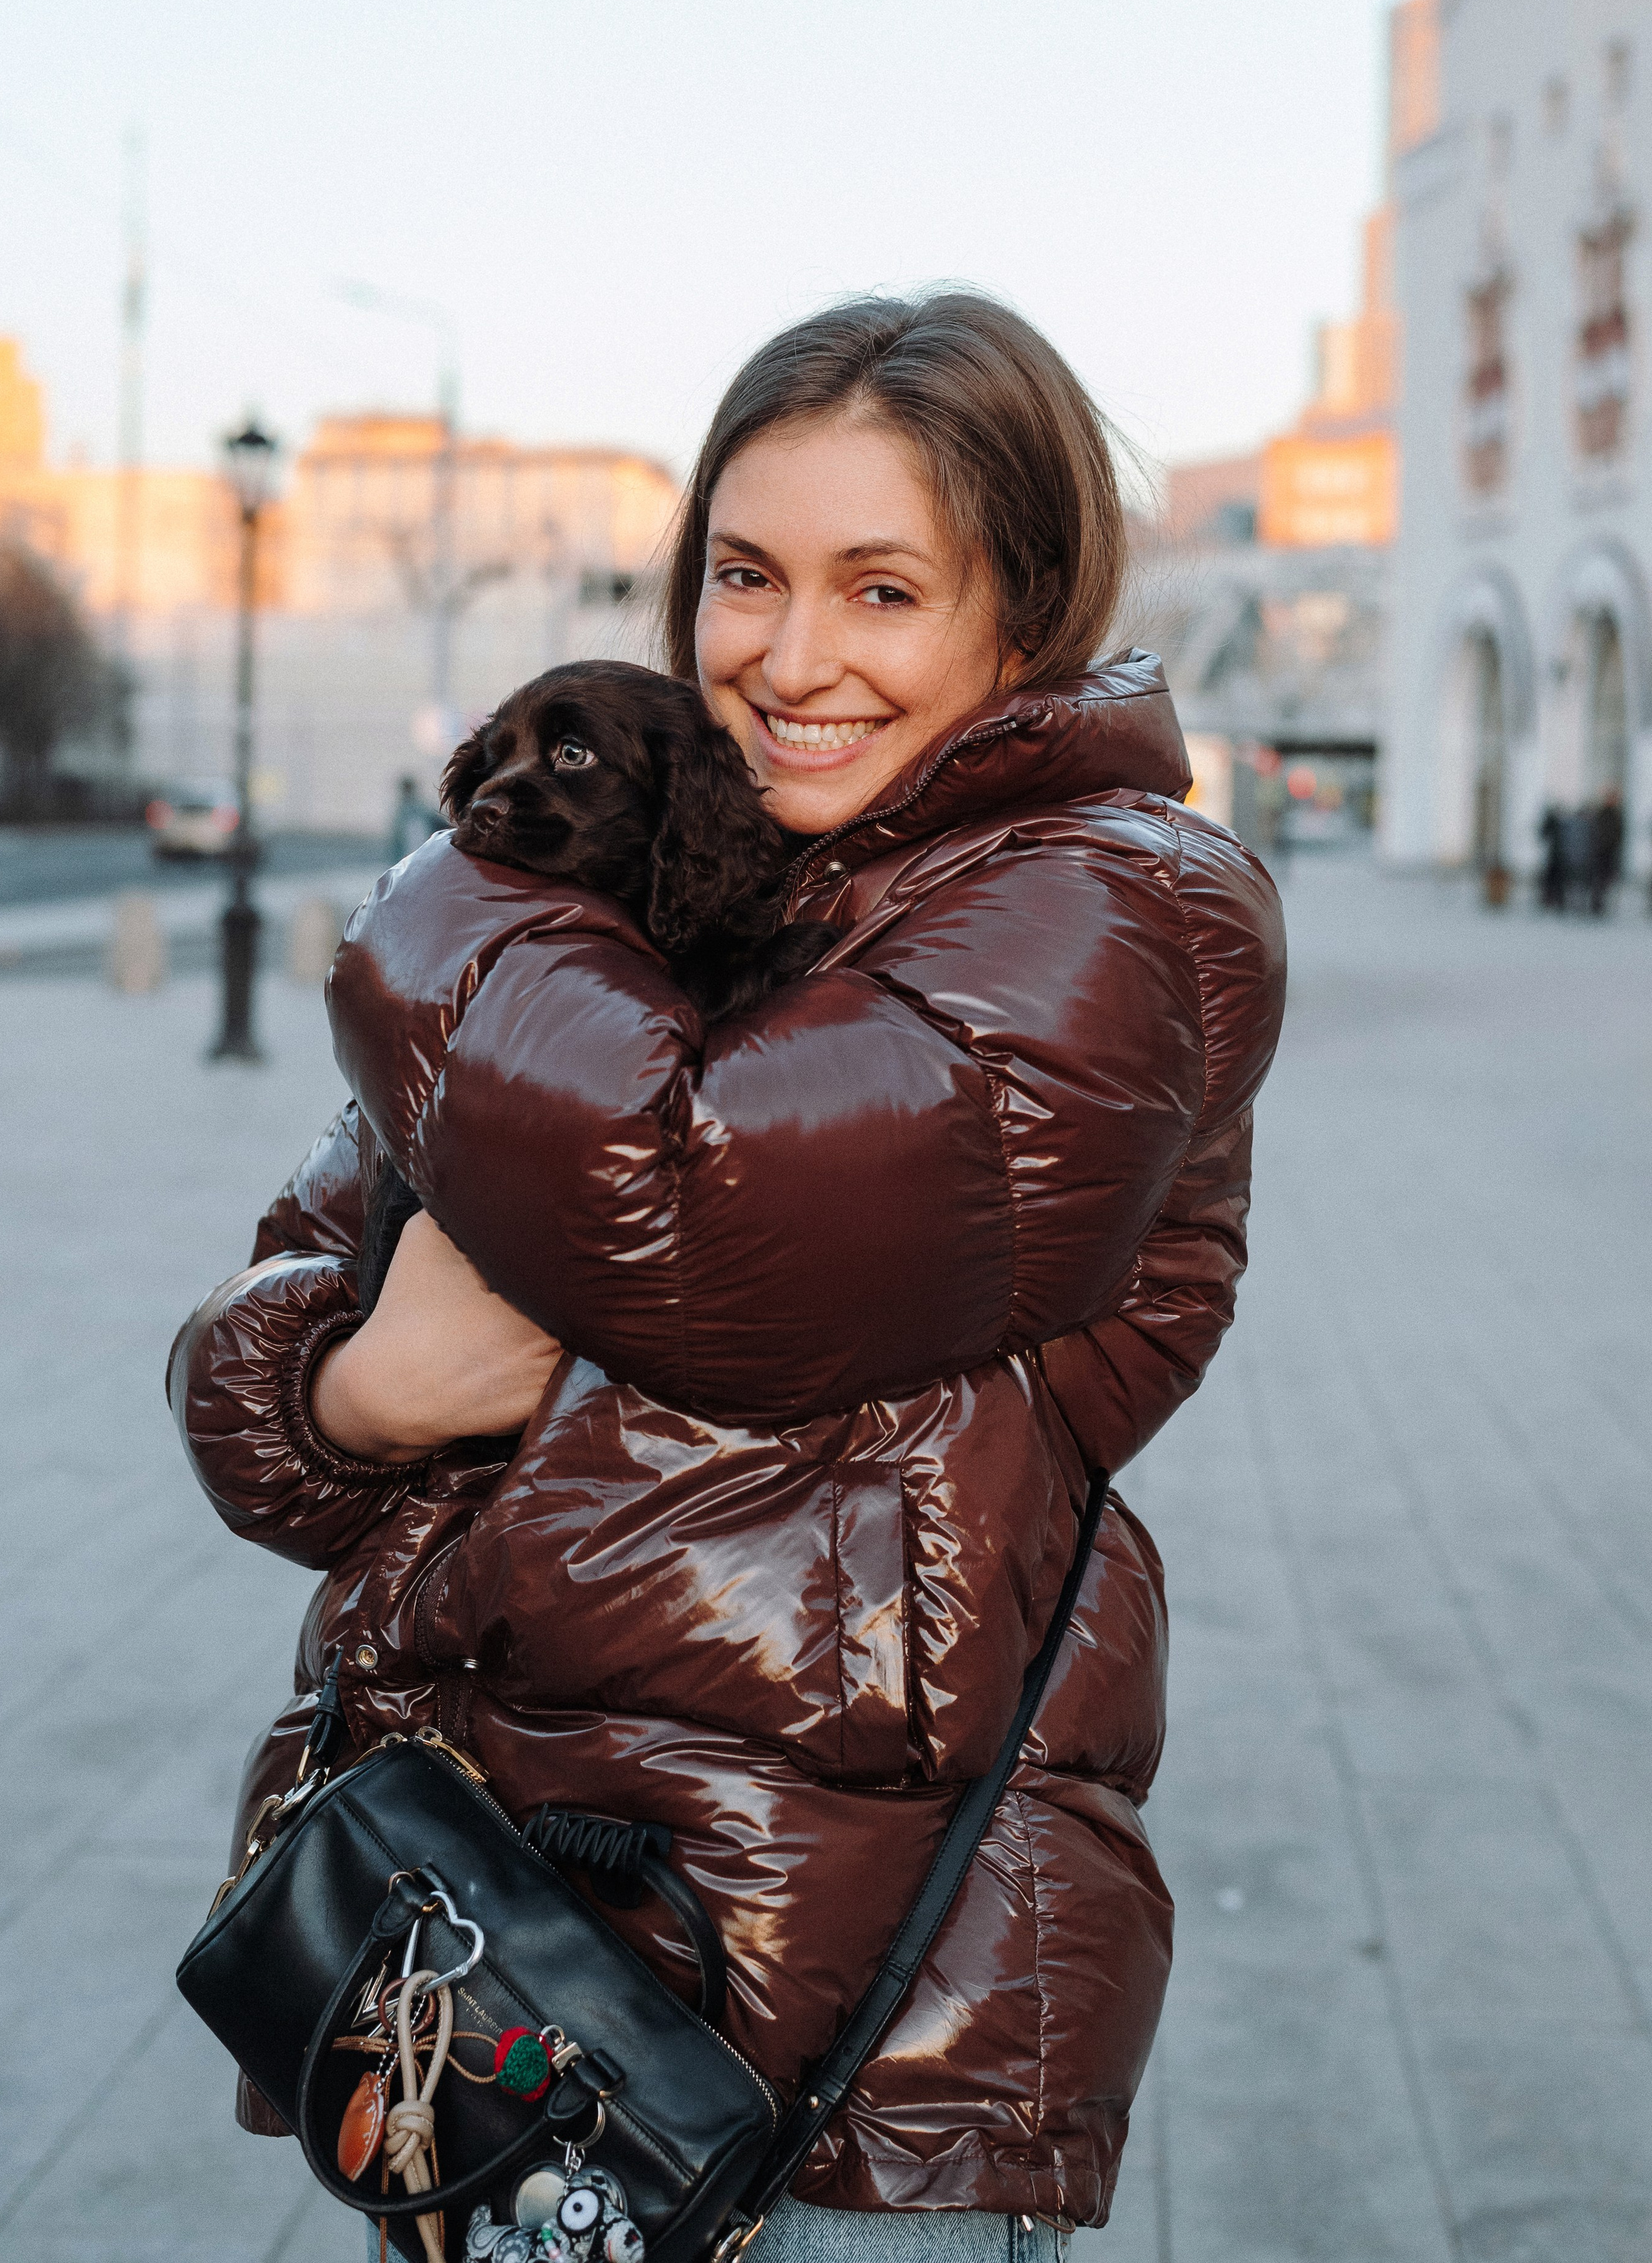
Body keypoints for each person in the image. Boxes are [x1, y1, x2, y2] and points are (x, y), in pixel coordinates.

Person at [170, 292, 1286, 2258]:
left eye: (880, 590)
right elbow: (263, 1359)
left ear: (1015, 616)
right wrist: (360, 1396)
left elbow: (700, 1209)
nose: (787, 657)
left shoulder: (1115, 904)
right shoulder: (646, 898)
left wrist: (439, 892)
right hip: (488, 1959)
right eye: (745, 576)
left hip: (841, 2041)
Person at [1586, 786, 1625, 916]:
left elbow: (1619, 834)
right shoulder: (1604, 814)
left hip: (1610, 851)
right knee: (1600, 880)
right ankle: (1597, 905)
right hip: (1601, 851)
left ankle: (1599, 904)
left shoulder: (1615, 815)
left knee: (1607, 879)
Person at [1537, 804, 1568, 911]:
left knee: (1556, 879)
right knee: (1553, 879)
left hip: (1559, 855)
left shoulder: (1563, 823)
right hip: (1556, 855)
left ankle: (1554, 900)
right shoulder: (1558, 822)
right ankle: (1551, 900)